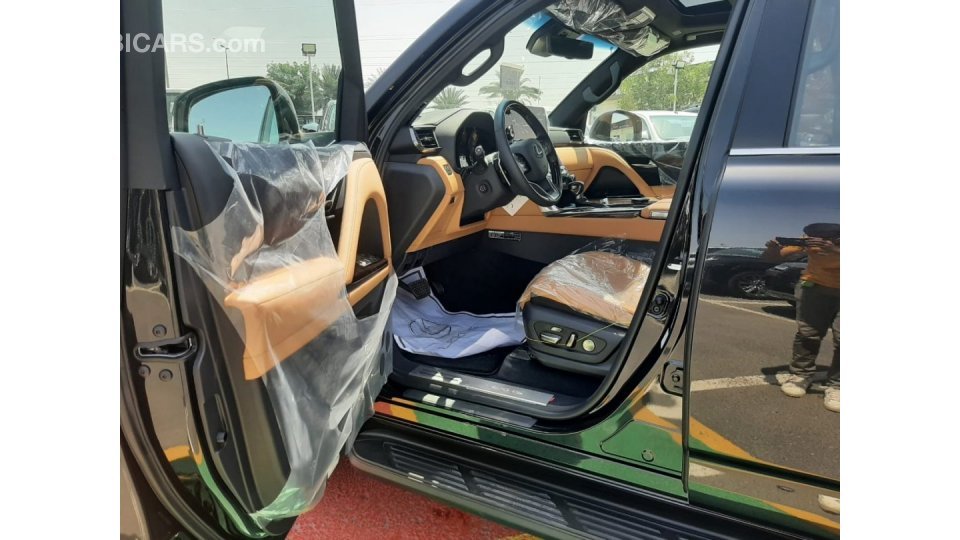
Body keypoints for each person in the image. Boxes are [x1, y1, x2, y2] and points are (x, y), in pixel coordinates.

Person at [763, 223, 840, 412]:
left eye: (824, 239)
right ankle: (800, 375)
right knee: (808, 333)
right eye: (811, 237)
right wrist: (773, 249)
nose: (816, 242)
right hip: (813, 288)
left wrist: (835, 250)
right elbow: (770, 258)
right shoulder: (807, 242)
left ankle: (838, 385)